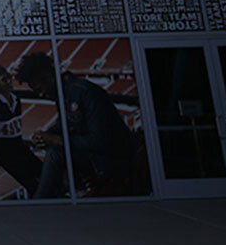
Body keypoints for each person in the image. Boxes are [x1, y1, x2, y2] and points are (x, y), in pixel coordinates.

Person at [15, 53, 137, 198]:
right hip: (98, 158)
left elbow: (99, 141)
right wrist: (44, 135)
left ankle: (40, 202)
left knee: (55, 153)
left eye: (40, 89)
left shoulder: (84, 92)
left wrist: (57, 140)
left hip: (113, 160)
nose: (41, 95)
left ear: (48, 77)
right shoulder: (65, 93)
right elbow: (64, 124)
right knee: (55, 152)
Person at [0, 64, 42, 196]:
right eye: (4, 80)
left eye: (9, 78)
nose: (9, 82)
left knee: (43, 172)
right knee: (31, 183)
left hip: (19, 146)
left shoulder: (16, 100)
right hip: (5, 153)